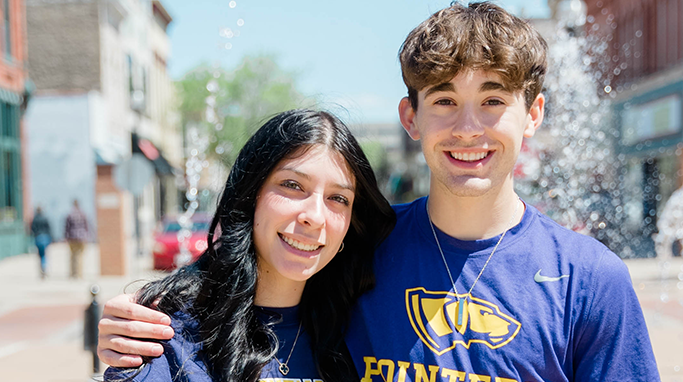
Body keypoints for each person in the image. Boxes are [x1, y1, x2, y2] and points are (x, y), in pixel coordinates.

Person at [97, 3, 660, 381]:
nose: (468, 127)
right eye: (443, 100)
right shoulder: (359, 247)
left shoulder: (592, 280)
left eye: (493, 100)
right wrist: (144, 330)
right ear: (410, 118)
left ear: (533, 114)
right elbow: (254, 293)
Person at [103, 109, 396, 382]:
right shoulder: (165, 333)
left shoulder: (362, 336)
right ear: (250, 195)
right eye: (292, 185)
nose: (315, 217)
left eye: (338, 198)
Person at [64, 199, 89, 278]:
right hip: (81, 237)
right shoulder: (83, 214)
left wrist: (66, 237)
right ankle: (79, 273)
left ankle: (73, 273)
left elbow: (67, 228)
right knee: (80, 256)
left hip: (72, 237)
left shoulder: (70, 215)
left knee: (73, 256)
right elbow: (86, 226)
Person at [30, 206, 52, 279]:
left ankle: (42, 268)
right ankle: (44, 267)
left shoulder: (35, 219)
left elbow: (32, 229)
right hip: (45, 237)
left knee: (40, 254)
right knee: (44, 254)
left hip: (38, 237)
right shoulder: (45, 218)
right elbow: (49, 229)